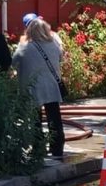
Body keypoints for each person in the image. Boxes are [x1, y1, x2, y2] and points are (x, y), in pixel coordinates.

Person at [12, 16, 66, 159]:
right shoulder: (54, 45)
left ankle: (38, 147)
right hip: (52, 86)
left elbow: (13, 62)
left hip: (32, 88)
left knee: (35, 120)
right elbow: (60, 57)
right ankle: (57, 148)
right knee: (54, 118)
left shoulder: (24, 47)